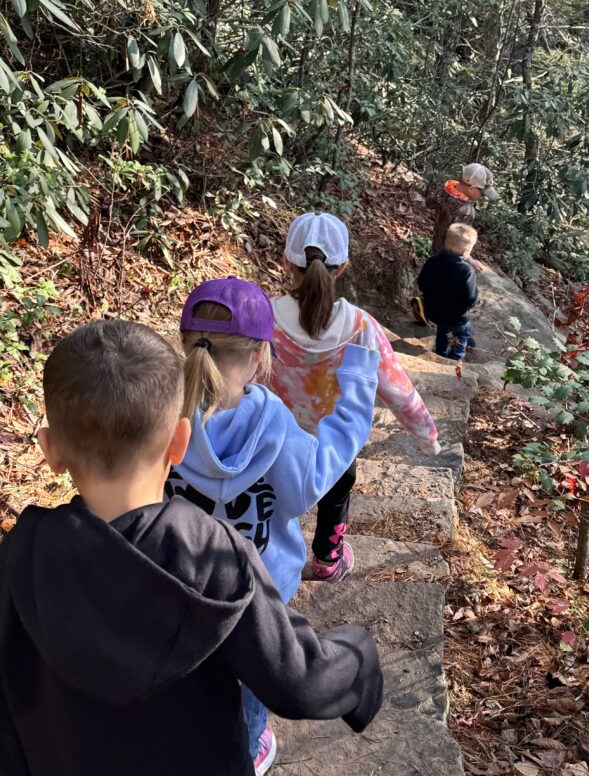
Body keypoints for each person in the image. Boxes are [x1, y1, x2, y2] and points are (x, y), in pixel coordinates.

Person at [0, 319, 383, 776]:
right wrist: (357, 657)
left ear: (50, 450)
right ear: (179, 441)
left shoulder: (23, 554)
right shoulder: (214, 554)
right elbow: (299, 680)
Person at [171, 276, 381, 774]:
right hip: (259, 585)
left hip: (178, 573)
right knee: (252, 672)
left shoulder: (159, 408)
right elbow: (314, 480)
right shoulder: (272, 421)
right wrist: (358, 380)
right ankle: (248, 749)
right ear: (262, 354)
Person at [268, 211, 441, 585]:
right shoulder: (361, 326)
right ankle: (328, 560)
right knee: (336, 492)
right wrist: (427, 438)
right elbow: (398, 389)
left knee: (271, 497)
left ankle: (270, 554)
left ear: (286, 261)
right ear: (343, 266)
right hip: (335, 444)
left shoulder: (263, 316)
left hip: (273, 438)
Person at [418, 223, 479, 361]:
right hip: (457, 317)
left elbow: (422, 284)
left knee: (443, 330)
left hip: (435, 312)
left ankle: (441, 353)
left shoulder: (432, 261)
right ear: (465, 251)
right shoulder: (466, 270)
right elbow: (470, 299)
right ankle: (456, 357)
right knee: (463, 332)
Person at [425, 162, 496, 258]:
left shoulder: (446, 189)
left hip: (435, 247)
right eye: (482, 194)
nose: (482, 197)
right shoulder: (467, 211)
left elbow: (429, 203)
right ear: (471, 189)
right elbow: (460, 243)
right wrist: (470, 260)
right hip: (449, 259)